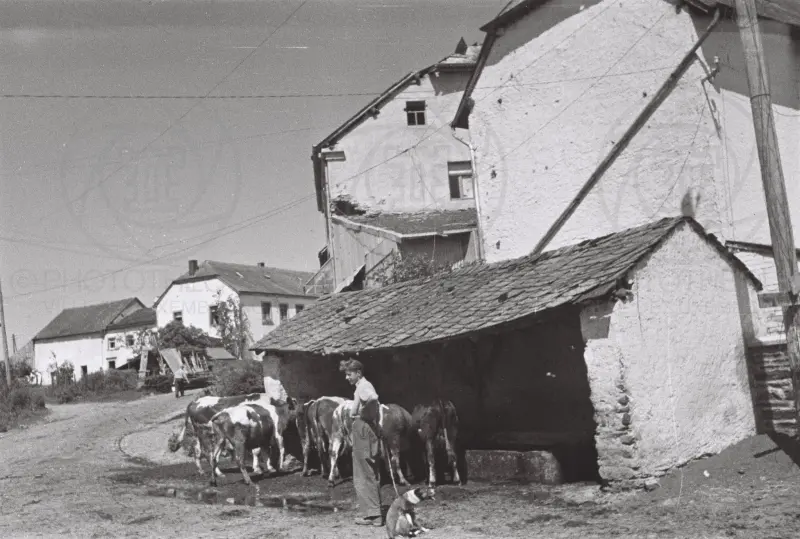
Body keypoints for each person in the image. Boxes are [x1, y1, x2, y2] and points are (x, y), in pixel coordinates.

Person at [340, 358, 383, 527]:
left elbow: (373, 399)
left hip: (363, 430)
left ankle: (374, 515)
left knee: (365, 473)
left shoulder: (365, 386)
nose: (347, 378)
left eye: (349, 374)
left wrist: (365, 415)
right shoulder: (361, 386)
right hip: (364, 430)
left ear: (358, 373)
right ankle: (370, 513)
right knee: (364, 473)